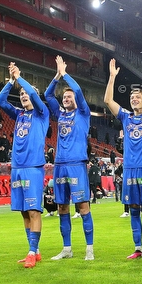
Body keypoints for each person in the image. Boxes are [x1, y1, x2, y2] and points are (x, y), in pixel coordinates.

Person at [104, 56, 142, 260]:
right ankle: (138, 249)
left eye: (137, 97)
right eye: (132, 98)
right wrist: (112, 77)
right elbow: (107, 101)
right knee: (133, 208)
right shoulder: (125, 117)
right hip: (130, 168)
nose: (134, 99)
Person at [0, 62, 49, 269]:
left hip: (33, 167)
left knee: (34, 210)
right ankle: (34, 251)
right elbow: (0, 100)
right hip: (16, 168)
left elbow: (35, 97)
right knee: (24, 212)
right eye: (22, 95)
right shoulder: (18, 115)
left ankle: (31, 252)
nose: (24, 96)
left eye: (27, 94)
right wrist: (11, 82)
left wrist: (21, 80)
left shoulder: (41, 113)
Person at [44, 56, 94, 261]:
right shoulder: (61, 114)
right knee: (62, 207)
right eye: (64, 97)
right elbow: (48, 95)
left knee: (82, 206)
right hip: (60, 165)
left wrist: (65, 74)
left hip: (76, 165)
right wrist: (56, 77)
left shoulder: (83, 113)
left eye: (68, 96)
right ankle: (67, 249)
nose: (66, 98)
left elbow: (79, 91)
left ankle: (89, 248)